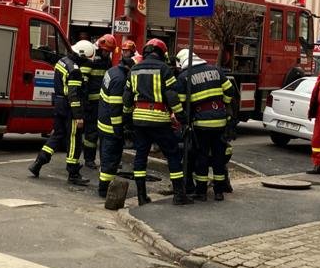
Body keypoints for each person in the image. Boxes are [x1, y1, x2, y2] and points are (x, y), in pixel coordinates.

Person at [123, 39, 187, 204]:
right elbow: (172, 96)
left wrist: (128, 119)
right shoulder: (165, 69)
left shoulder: (134, 69)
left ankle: (141, 197)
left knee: (140, 156)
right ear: (161, 53)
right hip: (159, 120)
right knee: (172, 155)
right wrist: (181, 116)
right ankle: (179, 195)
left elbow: (127, 98)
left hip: (139, 121)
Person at [27, 40, 95, 185]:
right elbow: (73, 94)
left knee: (57, 135)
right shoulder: (75, 70)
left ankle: (38, 163)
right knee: (74, 139)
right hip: (70, 107)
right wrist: (78, 116)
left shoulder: (62, 61)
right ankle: (73, 172)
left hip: (58, 104)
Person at [176, 48, 234, 201]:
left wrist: (185, 122)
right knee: (218, 157)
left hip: (201, 123)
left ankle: (201, 192)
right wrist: (224, 105)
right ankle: (219, 192)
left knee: (201, 156)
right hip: (220, 121)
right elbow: (230, 90)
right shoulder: (216, 70)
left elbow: (182, 103)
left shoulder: (184, 77)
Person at [97, 48, 142, 201]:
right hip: (111, 126)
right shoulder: (120, 80)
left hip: (103, 122)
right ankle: (104, 190)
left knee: (105, 157)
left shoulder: (112, 70)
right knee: (111, 159)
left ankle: (104, 184)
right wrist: (118, 131)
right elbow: (116, 108)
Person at [81, 34, 115, 170]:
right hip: (91, 102)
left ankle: (99, 159)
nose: (107, 53)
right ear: (100, 47)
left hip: (102, 102)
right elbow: (84, 81)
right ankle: (89, 159)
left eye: (110, 51)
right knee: (91, 132)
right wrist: (85, 101)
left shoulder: (108, 61)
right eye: (106, 50)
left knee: (100, 131)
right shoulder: (92, 58)